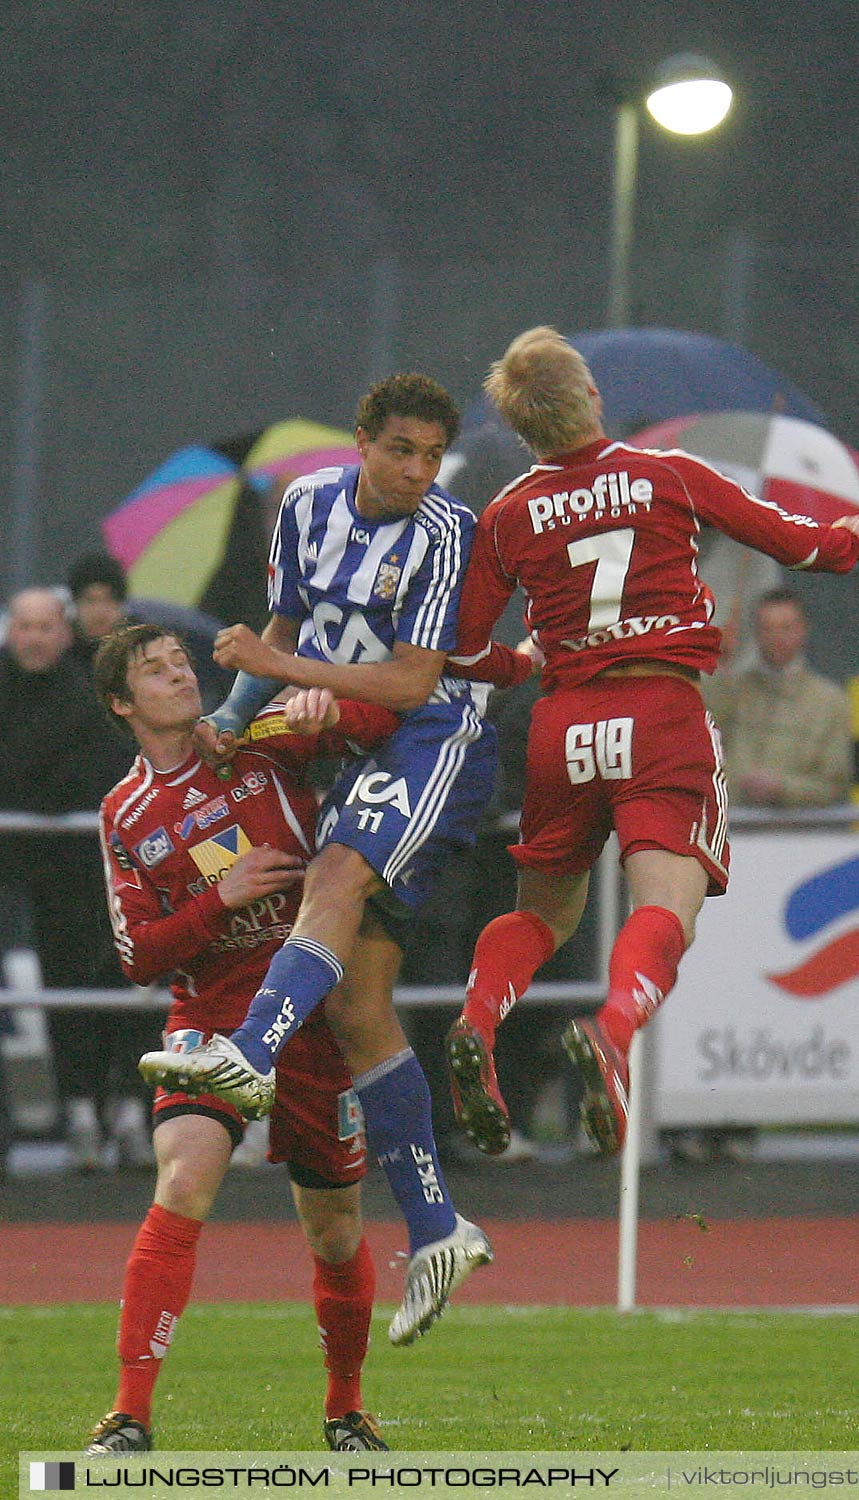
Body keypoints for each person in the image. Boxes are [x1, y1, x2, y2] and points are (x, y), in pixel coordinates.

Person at [441, 325, 859, 1158]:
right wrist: (847, 543)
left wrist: (519, 659)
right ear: (592, 399)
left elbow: (463, 651)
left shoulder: (504, 515)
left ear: (523, 431)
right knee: (665, 910)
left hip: (564, 721)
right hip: (658, 712)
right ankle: (612, 1031)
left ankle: (476, 1021)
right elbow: (795, 543)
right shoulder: (668, 476)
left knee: (539, 914)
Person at [138, 372, 520, 1342]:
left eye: (433, 455)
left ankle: (250, 1055)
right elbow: (286, 625)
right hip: (363, 745)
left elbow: (406, 680)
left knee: (332, 876)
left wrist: (280, 677)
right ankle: (437, 1229)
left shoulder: (444, 530)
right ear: (360, 441)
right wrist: (233, 716)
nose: (418, 471)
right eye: (401, 450)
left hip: (436, 740)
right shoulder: (305, 507)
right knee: (355, 1005)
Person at [88, 625, 395, 1453]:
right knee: (183, 1182)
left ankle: (345, 1410)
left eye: (181, 662)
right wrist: (217, 900)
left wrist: (333, 709)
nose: (178, 676)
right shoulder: (126, 812)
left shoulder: (257, 743)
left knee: (333, 1230)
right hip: (210, 1018)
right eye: (154, 672)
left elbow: (383, 732)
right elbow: (136, 955)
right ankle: (128, 1416)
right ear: (124, 704)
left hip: (311, 1019)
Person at [0, 587, 146, 1170]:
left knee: (118, 984)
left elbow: (86, 781)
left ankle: (120, 1108)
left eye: (44, 626)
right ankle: (77, 1106)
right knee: (63, 988)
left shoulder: (87, 699)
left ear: (63, 635)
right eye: (24, 626)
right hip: (27, 869)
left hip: (88, 873)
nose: (34, 637)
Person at [705, 587, 853, 809]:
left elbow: (836, 785)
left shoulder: (829, 701)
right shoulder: (732, 692)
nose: (777, 637)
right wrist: (718, 662)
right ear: (756, 633)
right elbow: (699, 742)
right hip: (733, 828)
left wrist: (782, 788)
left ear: (803, 630)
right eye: (767, 628)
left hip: (801, 834)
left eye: (787, 627)